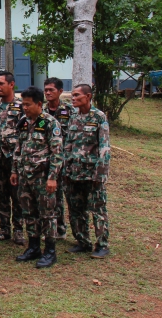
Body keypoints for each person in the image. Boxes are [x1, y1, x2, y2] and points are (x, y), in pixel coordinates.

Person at [10, 87, 64, 268]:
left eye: (28, 104)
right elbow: (18, 148)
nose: (24, 108)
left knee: (47, 214)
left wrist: (52, 177)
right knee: (29, 213)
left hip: (43, 178)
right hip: (25, 177)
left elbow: (57, 152)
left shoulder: (50, 123)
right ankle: (33, 247)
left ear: (39, 104)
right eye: (23, 104)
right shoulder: (24, 122)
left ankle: (50, 251)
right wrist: (14, 170)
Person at [63, 84, 111, 258]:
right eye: (73, 95)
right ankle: (82, 242)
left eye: (77, 95)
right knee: (76, 210)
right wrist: (64, 168)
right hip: (73, 172)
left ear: (88, 96)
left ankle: (102, 245)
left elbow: (104, 147)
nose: (73, 98)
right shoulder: (73, 117)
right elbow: (68, 144)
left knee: (97, 210)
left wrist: (101, 173)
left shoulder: (99, 117)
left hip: (92, 173)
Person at [0, 70, 25, 245]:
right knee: (0, 193)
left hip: (14, 157)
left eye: (1, 84)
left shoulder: (22, 106)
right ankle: (4, 228)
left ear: (11, 84)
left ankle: (18, 229)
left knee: (17, 194)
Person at [43, 77, 74, 239]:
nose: (48, 93)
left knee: (63, 196)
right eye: (46, 90)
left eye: (51, 90)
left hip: (66, 160)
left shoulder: (69, 110)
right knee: (49, 196)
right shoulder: (41, 111)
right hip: (46, 160)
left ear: (60, 91)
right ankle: (52, 229)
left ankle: (62, 228)